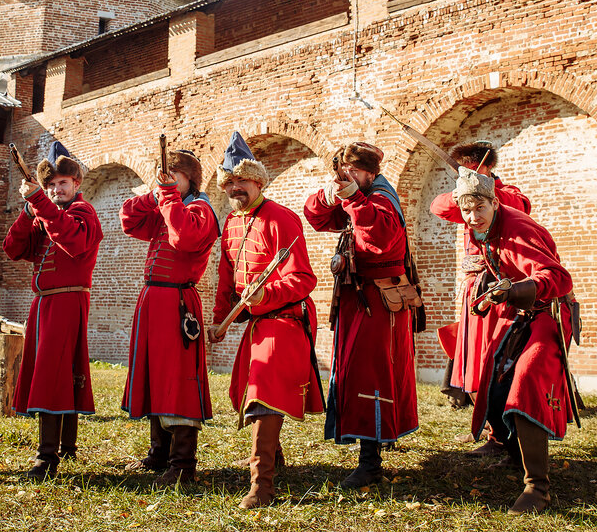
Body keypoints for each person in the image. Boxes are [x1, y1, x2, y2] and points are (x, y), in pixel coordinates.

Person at [208, 131, 323, 509]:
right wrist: (219, 319)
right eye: (229, 181)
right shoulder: (230, 224)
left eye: (242, 180)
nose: (235, 187)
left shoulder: (281, 218)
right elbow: (227, 278)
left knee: (262, 396)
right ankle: (274, 454)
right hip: (256, 323)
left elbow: (303, 279)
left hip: (285, 318)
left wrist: (265, 294)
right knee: (250, 391)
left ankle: (262, 486)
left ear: (258, 181)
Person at [451, 166, 575, 514]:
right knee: (496, 375)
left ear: (494, 202)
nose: (472, 217)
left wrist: (519, 289)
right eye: (466, 210)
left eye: (480, 208)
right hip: (517, 314)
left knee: (527, 377)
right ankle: (506, 447)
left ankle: (538, 487)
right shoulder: (481, 228)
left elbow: (558, 278)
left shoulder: (519, 228)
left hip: (548, 312)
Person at [302, 142, 419, 488]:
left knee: (372, 378)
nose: (348, 177)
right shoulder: (362, 198)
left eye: (354, 172)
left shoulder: (381, 199)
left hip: (379, 302)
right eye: (343, 172)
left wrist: (353, 198)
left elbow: (379, 239)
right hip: (359, 300)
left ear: (370, 172)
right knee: (360, 373)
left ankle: (371, 463)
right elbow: (317, 217)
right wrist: (327, 196)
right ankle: (378, 441)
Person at [3, 140, 102, 480]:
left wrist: (39, 202)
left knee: (54, 373)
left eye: (63, 183)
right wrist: (27, 211)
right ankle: (67, 446)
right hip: (44, 304)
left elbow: (72, 240)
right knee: (56, 371)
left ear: (76, 184)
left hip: (68, 301)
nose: (56, 189)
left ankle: (47, 458)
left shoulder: (82, 213)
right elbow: (13, 249)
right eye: (51, 185)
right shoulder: (46, 214)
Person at [120, 148, 219, 486]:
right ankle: (158, 452)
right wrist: (155, 194)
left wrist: (166, 197)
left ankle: (182, 464)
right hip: (152, 301)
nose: (168, 184)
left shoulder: (200, 209)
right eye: (165, 177)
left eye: (174, 177)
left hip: (178, 302)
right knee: (153, 376)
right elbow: (128, 220)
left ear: (190, 179)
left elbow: (183, 237)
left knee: (178, 381)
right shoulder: (168, 203)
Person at [429, 141, 530, 454]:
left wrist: (487, 187)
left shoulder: (504, 193)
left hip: (498, 287)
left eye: (471, 168)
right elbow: (439, 206)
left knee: (492, 360)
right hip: (474, 288)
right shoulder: (466, 199)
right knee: (474, 362)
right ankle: (486, 428)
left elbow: (520, 205)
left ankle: (499, 436)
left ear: (485, 166)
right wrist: (467, 186)